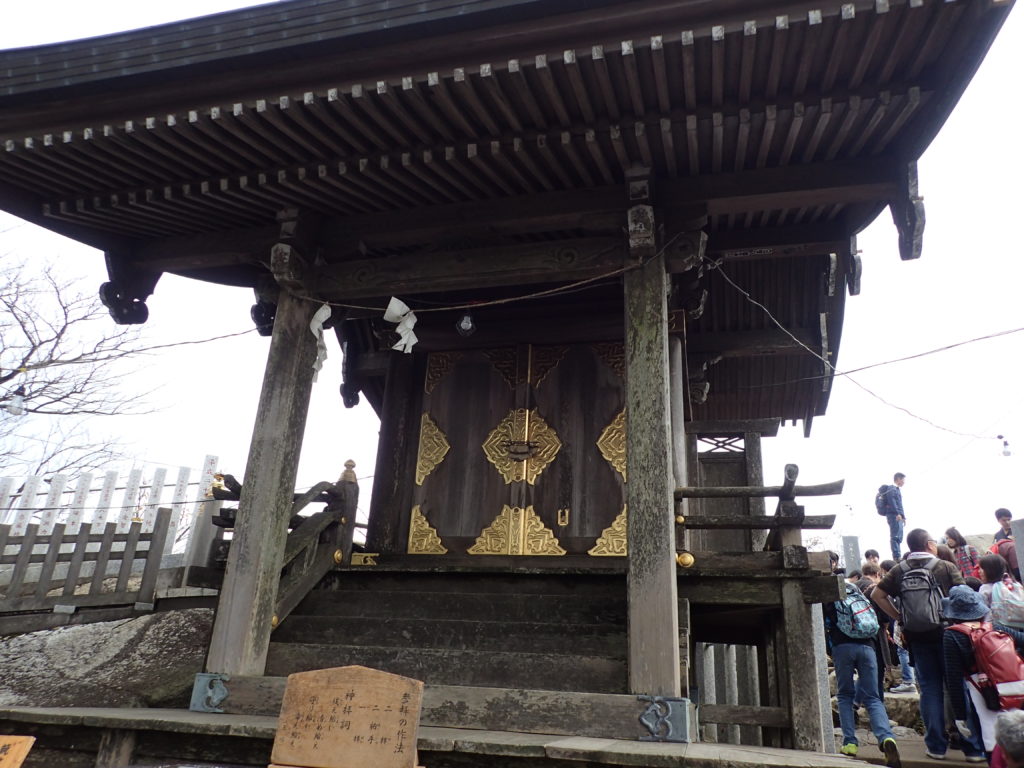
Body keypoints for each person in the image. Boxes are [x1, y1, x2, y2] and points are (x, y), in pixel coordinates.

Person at [873, 528, 971, 760]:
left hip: (917, 636)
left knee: (929, 689)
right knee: (957, 686)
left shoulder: (900, 569)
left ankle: (936, 746)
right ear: (929, 544)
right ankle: (971, 746)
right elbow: (964, 595)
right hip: (948, 633)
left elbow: (877, 595)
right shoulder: (946, 567)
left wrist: (900, 617)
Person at [824, 583, 902, 766]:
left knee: (845, 695)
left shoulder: (830, 601)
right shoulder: (860, 597)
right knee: (873, 697)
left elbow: (825, 626)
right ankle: (886, 738)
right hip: (868, 647)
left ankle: (850, 742)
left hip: (842, 648)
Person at [940, 586, 991, 763]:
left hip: (978, 689)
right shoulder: (993, 627)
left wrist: (960, 716)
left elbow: (954, 681)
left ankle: (975, 751)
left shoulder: (952, 635)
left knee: (987, 736)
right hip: (1006, 687)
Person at [878, 473, 906, 560]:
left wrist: (903, 517)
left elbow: (900, 504)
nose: (904, 482)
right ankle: (896, 556)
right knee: (895, 536)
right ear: (898, 479)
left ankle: (898, 554)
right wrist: (897, 513)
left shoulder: (896, 489)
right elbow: (892, 501)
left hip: (898, 515)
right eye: (903, 480)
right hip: (894, 515)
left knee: (899, 535)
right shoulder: (892, 488)